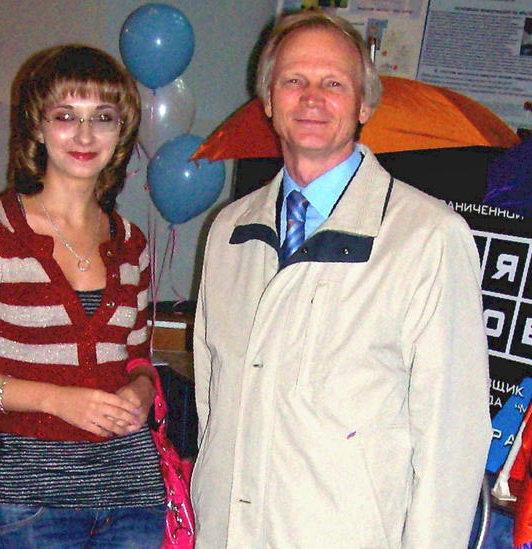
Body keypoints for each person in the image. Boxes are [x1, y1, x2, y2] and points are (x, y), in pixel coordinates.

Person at [192, 10, 491, 548]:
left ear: (364, 105)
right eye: (293, 80)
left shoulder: (428, 237)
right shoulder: (229, 232)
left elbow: (451, 438)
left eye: (334, 83)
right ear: (267, 100)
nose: (312, 98)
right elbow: (212, 404)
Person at [0, 45, 166, 548]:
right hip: (37, 498)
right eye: (65, 116)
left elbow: (138, 357)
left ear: (121, 131)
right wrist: (56, 400)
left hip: (134, 493)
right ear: (37, 126)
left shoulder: (131, 242)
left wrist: (142, 391)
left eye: (102, 117)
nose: (84, 135)